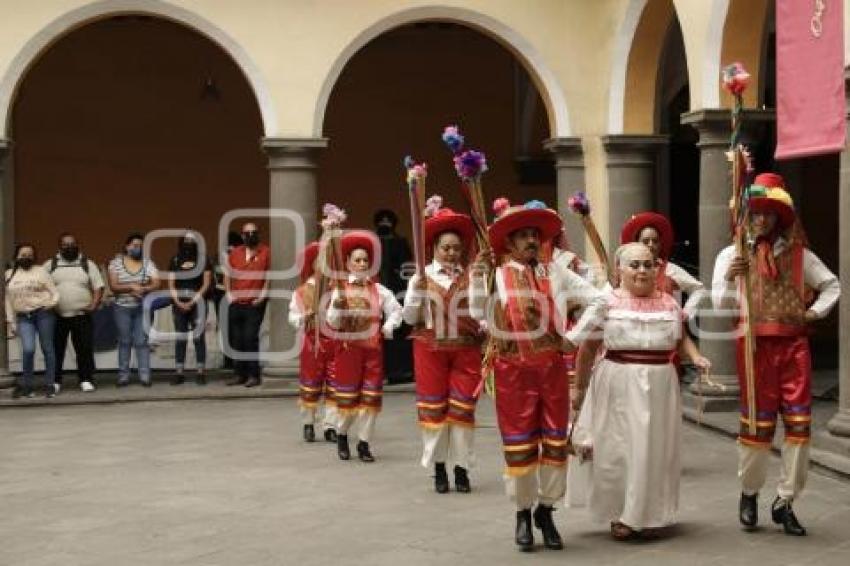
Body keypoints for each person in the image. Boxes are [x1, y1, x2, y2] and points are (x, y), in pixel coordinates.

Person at [469, 198, 602, 552]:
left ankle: (547, 509)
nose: (530, 241)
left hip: (552, 369)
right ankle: (523, 513)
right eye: (522, 236)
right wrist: (477, 276)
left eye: (534, 235)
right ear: (509, 243)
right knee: (520, 445)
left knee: (556, 443)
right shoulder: (494, 273)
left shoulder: (555, 271)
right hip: (511, 371)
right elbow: (472, 309)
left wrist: (573, 337)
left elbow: (599, 299)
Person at [711, 173, 839, 536]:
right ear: (746, 217)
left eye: (768, 213)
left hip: (794, 348)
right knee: (756, 428)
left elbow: (832, 285)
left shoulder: (801, 255)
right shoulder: (731, 254)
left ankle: (785, 501)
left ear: (780, 217)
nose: (762, 220)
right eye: (755, 213)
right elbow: (719, 304)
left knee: (799, 428)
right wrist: (728, 278)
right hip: (754, 348)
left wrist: (814, 313)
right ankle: (749, 492)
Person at [569, 242, 711, 541]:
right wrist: (579, 388)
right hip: (618, 382)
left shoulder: (670, 304)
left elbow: (681, 339)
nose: (642, 271)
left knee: (653, 450)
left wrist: (696, 357)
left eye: (648, 264)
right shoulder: (606, 302)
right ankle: (622, 513)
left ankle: (647, 513)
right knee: (621, 450)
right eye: (634, 265)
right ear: (619, 270)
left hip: (661, 385)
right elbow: (588, 348)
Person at [402, 199, 482, 493]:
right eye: (445, 248)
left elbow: (480, 314)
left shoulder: (473, 276)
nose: (451, 253)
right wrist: (417, 295)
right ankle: (439, 469)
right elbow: (409, 318)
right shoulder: (419, 278)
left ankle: (461, 469)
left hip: (466, 349)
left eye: (456, 248)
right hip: (430, 349)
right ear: (434, 248)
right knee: (434, 411)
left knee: (463, 410)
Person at [327, 230, 403, 462]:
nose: (361, 264)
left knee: (370, 400)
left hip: (372, 351)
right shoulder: (340, 290)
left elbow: (396, 311)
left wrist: (388, 327)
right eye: (357, 260)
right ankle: (341, 434)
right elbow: (332, 322)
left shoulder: (379, 290)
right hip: (348, 351)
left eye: (365, 261)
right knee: (348, 398)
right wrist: (338, 306)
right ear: (348, 263)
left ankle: (364, 443)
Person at [289, 241, 338, 443]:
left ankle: (330, 426)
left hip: (334, 341)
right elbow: (292, 318)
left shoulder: (337, 290)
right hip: (311, 341)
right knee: (310, 384)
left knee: (335, 384)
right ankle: (308, 423)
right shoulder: (301, 291)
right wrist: (304, 316)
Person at [45, 233, 104, 393]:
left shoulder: (87, 263)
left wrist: (94, 304)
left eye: (72, 244)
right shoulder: (50, 265)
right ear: (59, 247)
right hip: (56, 315)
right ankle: (55, 381)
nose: (69, 247)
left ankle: (86, 379)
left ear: (78, 245)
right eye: (65, 244)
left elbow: (98, 286)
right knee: (56, 350)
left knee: (84, 349)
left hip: (82, 315)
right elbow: (41, 286)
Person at [620, 212, 704, 317]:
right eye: (646, 241)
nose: (651, 245)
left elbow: (698, 289)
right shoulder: (627, 271)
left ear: (660, 245)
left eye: (655, 241)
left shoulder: (670, 270)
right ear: (636, 244)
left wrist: (686, 313)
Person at [5, 243, 60, 398]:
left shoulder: (41, 271)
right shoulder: (10, 274)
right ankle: (28, 386)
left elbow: (54, 293)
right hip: (23, 316)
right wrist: (11, 321)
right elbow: (8, 300)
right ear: (16, 256)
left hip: (43, 314)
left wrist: (50, 304)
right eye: (23, 255)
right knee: (28, 349)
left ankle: (50, 384)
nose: (26, 257)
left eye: (29, 255)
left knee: (47, 349)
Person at [108, 233, 160, 387]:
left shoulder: (148, 263)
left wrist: (143, 289)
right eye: (134, 245)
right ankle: (123, 377)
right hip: (121, 308)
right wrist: (131, 287)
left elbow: (157, 283)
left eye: (140, 246)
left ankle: (145, 376)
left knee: (142, 341)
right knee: (124, 341)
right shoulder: (115, 263)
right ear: (127, 246)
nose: (138, 248)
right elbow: (113, 286)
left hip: (142, 308)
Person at [223, 222, 270, 388]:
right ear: (243, 236)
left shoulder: (265, 252)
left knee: (250, 338)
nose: (251, 235)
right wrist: (228, 293)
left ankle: (253, 375)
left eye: (254, 232)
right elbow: (227, 275)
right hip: (236, 302)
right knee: (236, 340)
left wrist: (263, 295)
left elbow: (269, 276)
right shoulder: (235, 253)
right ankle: (239, 374)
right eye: (248, 233)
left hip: (254, 303)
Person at [373, 208, 414, 384]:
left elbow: (406, 265)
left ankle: (400, 371)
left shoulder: (400, 242)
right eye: (381, 221)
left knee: (397, 330)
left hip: (397, 292)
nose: (384, 223)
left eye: (388, 220)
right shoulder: (371, 242)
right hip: (375, 291)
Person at [168, 231, 212, 385]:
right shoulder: (175, 259)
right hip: (178, 304)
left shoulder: (203, 259)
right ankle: (179, 372)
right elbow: (171, 284)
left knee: (198, 338)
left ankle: (200, 372)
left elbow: (206, 283)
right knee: (181, 338)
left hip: (198, 303)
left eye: (192, 240)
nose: (189, 242)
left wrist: (193, 301)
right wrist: (178, 301)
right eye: (186, 240)